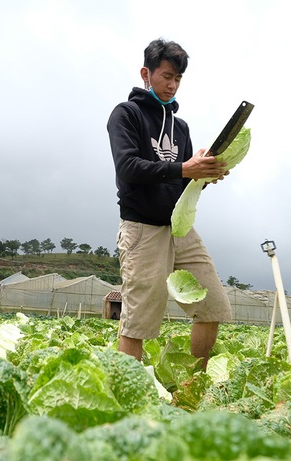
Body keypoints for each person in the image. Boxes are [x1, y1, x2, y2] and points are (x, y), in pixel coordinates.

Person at [107, 38, 232, 369]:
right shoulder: (126, 114)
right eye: (166, 76)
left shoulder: (181, 127)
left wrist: (202, 176)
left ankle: (193, 386)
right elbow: (128, 168)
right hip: (143, 230)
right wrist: (184, 167)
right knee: (138, 323)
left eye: (178, 79)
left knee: (212, 307)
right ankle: (127, 395)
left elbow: (182, 184)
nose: (172, 85)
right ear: (146, 73)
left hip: (180, 228)